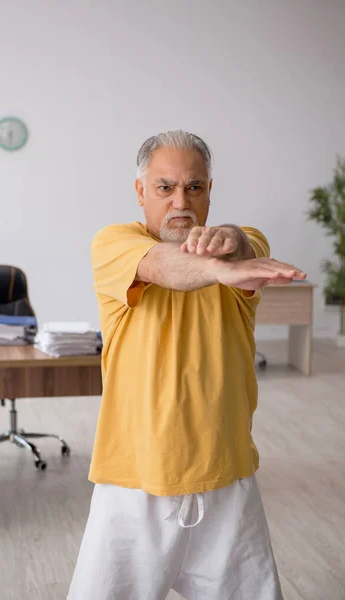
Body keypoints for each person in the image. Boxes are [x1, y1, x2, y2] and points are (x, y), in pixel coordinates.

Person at [68, 130, 305, 600]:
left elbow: (244, 244)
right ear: (140, 192)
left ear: (210, 191)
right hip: (134, 484)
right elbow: (165, 268)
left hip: (227, 482)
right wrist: (218, 270)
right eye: (165, 187)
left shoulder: (244, 246)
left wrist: (233, 248)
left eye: (195, 187)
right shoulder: (114, 244)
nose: (182, 200)